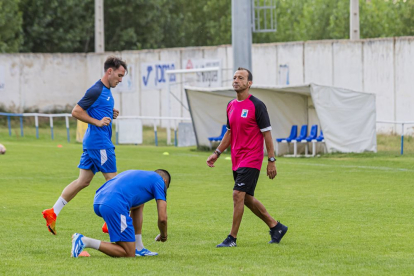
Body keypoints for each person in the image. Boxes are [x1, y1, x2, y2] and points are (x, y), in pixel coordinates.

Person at [42, 56, 127, 235]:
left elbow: (94, 108)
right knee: (114, 183)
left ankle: (53, 212)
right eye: (119, 76)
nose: (120, 80)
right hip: (100, 144)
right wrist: (97, 121)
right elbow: (76, 111)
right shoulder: (96, 89)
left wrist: (110, 112)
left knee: (83, 181)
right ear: (109, 71)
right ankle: (111, 222)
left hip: (92, 143)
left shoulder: (106, 90)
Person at [206, 67, 288, 247]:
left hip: (252, 158)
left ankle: (232, 238)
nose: (236, 80)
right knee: (247, 198)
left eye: (241, 78)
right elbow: (229, 133)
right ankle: (276, 227)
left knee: (237, 194)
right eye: (234, 77)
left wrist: (271, 161)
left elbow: (267, 135)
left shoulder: (257, 105)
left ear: (249, 83)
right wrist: (217, 153)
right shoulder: (231, 105)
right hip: (237, 158)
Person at [71, 169, 171, 258]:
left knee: (140, 204)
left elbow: (136, 202)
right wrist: (163, 235)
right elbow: (162, 218)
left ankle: (139, 248)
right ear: (164, 181)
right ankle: (85, 241)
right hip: (114, 204)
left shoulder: (141, 175)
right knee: (128, 253)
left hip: (98, 200)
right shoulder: (159, 181)